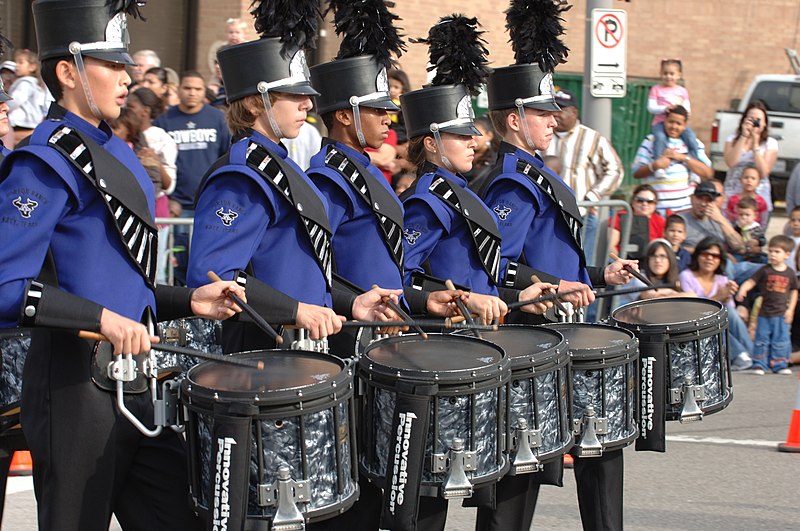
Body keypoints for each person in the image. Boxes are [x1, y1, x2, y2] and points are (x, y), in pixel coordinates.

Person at [0, 2, 246, 529]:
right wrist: (100, 319)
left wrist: (190, 299)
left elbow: (125, 287)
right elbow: (6, 286)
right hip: (74, 388)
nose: (127, 74)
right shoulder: (42, 163)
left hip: (137, 384)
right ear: (68, 72)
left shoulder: (116, 150)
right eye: (111, 64)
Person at [478, 3, 638, 530]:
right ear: (513, 119)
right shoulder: (511, 182)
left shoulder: (537, 172)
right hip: (531, 335)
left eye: (553, 112)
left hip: (561, 327)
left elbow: (553, 259)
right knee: (518, 471)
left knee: (600, 447)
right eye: (543, 113)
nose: (555, 120)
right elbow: (498, 264)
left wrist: (595, 277)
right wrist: (543, 286)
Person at [399, 15, 554, 531]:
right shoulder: (425, 200)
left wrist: (522, 290)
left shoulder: (461, 192)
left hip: (478, 342)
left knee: (475, 469)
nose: (474, 141)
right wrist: (461, 298)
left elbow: (485, 271)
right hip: (445, 349)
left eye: (472, 132)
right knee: (437, 479)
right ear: (429, 143)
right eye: (460, 135)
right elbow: (406, 277)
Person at [187, 1, 400, 356]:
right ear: (256, 103)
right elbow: (215, 277)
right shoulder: (242, 175)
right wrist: (294, 311)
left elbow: (304, 271)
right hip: (261, 354)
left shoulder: (283, 166)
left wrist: (351, 303)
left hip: (298, 350)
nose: (307, 104)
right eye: (294, 95)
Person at [154, 70, 231, 285]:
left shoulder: (217, 118)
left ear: (203, 91)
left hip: (210, 203)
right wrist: (169, 200)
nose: (192, 93)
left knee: (207, 261)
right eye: (187, 88)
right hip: (176, 206)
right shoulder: (164, 121)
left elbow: (227, 157)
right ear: (178, 90)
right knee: (178, 261)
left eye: (197, 89)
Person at [543, 87, 624, 261]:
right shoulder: (543, 136)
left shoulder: (592, 138)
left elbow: (615, 169)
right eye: (553, 108)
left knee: (582, 266)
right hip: (549, 216)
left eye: (561, 109)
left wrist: (593, 196)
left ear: (574, 112)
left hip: (583, 216)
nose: (556, 114)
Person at [679, 238, 754, 370]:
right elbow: (694, 309)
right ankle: (741, 355)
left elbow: (729, 307)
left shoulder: (722, 278)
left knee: (729, 312)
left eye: (715, 256)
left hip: (718, 318)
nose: (709, 259)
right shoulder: (686, 276)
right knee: (716, 322)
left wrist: (728, 296)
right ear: (697, 256)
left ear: (720, 260)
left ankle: (750, 354)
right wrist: (717, 297)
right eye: (705, 254)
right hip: (696, 321)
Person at [632, 105, 713, 214]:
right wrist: (655, 166)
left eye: (678, 124)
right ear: (664, 121)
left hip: (685, 211)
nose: (674, 127)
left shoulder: (694, 144)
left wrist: (683, 158)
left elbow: (707, 172)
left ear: (685, 125)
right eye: (671, 122)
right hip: (655, 210)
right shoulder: (650, 142)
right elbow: (636, 173)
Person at [736, 235, 798, 375]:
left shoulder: (790, 273)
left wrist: (790, 310)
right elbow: (751, 281)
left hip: (782, 314)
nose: (772, 255)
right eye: (770, 251)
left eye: (777, 252)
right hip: (764, 313)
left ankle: (779, 364)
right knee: (761, 339)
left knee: (781, 339)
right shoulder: (765, 270)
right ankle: (759, 364)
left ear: (786, 255)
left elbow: (794, 292)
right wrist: (743, 289)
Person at [723, 100, 778, 226]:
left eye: (758, 120)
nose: (754, 123)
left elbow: (764, 171)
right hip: (733, 196)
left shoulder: (770, 143)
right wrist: (743, 136)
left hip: (758, 198)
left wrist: (755, 144)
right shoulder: (732, 139)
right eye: (750, 119)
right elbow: (731, 162)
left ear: (764, 124)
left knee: (755, 238)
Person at [648, 58, 700, 161]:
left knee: (690, 137)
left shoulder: (682, 91)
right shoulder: (656, 89)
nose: (668, 76)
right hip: (660, 123)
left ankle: (694, 162)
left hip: (678, 124)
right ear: (660, 73)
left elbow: (686, 106)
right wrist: (664, 109)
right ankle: (659, 163)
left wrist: (686, 113)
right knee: (660, 137)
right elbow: (651, 107)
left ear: (679, 75)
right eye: (665, 73)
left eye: (672, 74)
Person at [615, 239, 694, 307]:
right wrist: (671, 292)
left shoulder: (678, 277)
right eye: (653, 256)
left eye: (662, 256)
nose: (657, 260)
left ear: (671, 259)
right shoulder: (637, 277)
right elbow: (650, 296)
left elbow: (692, 295)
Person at [609, 183, 666, 261]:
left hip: (651, 263)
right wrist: (621, 263)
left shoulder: (660, 221)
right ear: (633, 201)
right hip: (623, 261)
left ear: (655, 203)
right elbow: (611, 246)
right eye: (640, 200)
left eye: (650, 201)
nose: (645, 204)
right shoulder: (619, 217)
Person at [7, 49, 51, 144]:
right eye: (16, 62)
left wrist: (5, 106)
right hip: (31, 122)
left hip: (21, 122)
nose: (16, 65)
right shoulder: (36, 84)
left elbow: (14, 101)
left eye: (21, 63)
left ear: (32, 67)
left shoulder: (25, 83)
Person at [464, 114, 500, 191]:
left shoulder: (495, 161)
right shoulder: (464, 155)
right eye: (470, 133)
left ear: (489, 136)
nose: (472, 137)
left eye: (476, 133)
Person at [732, 196, 767, 264]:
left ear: (755, 215)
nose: (744, 217)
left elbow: (763, 240)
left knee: (763, 259)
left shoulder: (756, 227)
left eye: (747, 215)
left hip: (755, 254)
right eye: (741, 214)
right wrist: (743, 228)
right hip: (741, 253)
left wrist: (757, 241)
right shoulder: (737, 227)